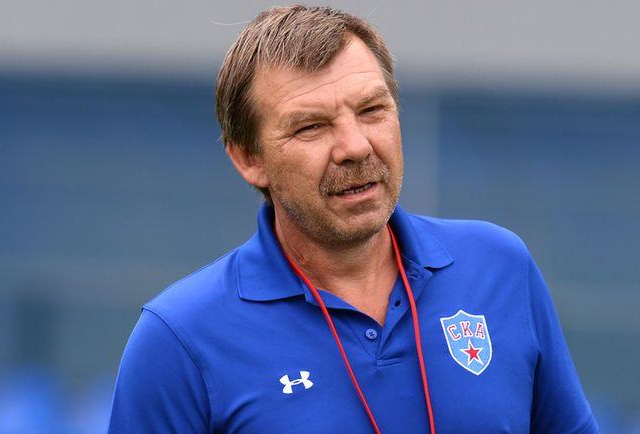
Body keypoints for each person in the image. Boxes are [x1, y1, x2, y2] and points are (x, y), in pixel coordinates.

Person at [109, 5, 598, 433]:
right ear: (249, 159)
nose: (356, 146)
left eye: (372, 110)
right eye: (311, 126)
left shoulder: (499, 266)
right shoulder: (179, 339)